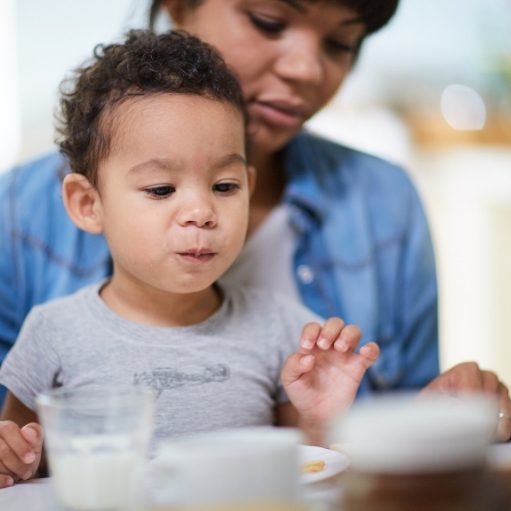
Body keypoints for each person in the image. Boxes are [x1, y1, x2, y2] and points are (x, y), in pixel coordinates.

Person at [1, 0, 510, 438]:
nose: (308, 70)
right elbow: (19, 448)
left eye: (341, 43)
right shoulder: (22, 225)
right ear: (87, 204)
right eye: (269, 20)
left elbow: (327, 455)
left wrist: (443, 418)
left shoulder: (384, 206)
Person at [0, 29, 380, 488]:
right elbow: (23, 461)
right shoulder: (53, 333)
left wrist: (320, 418)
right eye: (161, 189)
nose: (202, 212)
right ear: (88, 204)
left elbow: (302, 470)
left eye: (224, 186)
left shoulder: (285, 330)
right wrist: (14, 458)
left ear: (249, 186)